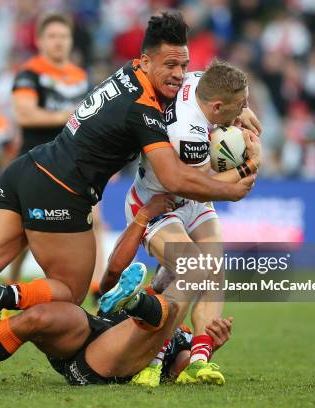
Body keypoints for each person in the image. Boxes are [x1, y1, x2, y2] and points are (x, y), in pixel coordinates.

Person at [0, 11, 255, 386]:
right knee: (70, 293)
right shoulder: (142, 109)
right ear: (145, 61)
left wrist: (236, 113)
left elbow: (202, 94)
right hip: (61, 191)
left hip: (26, 170)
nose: (180, 74)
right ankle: (5, 298)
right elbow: (170, 175)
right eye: (170, 65)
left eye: (183, 64)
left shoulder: (131, 74)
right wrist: (230, 188)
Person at [0, 195, 235, 386]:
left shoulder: (188, 328)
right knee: (37, 319)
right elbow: (111, 273)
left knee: (165, 313)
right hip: (93, 329)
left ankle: (136, 304)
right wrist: (145, 216)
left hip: (107, 360)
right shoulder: (159, 272)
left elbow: (177, 370)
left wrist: (208, 349)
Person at [110, 61, 261, 386]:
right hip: (159, 205)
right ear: (216, 106)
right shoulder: (187, 135)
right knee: (193, 269)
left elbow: (218, 81)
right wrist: (251, 163)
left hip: (189, 201)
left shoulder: (199, 83)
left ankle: (198, 359)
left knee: (213, 269)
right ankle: (153, 357)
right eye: (239, 105)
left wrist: (240, 112)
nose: (243, 111)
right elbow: (206, 184)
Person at [6, 12, 95, 286]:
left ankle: (96, 289)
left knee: (94, 221)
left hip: (73, 165)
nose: (59, 42)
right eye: (52, 36)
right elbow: (24, 115)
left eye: (64, 36)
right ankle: (12, 284)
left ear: (71, 41)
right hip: (35, 162)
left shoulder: (81, 77)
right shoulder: (29, 73)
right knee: (23, 234)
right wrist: (68, 115)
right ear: (39, 40)